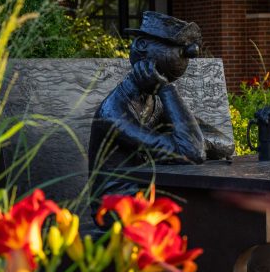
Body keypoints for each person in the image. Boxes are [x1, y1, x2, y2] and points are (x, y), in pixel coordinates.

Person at [88, 12, 231, 198]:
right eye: (175, 47)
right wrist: (166, 89)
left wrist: (191, 141)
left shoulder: (155, 102)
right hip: (117, 209)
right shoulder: (113, 113)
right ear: (141, 45)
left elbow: (227, 144)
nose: (188, 53)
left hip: (150, 194)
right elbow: (192, 152)